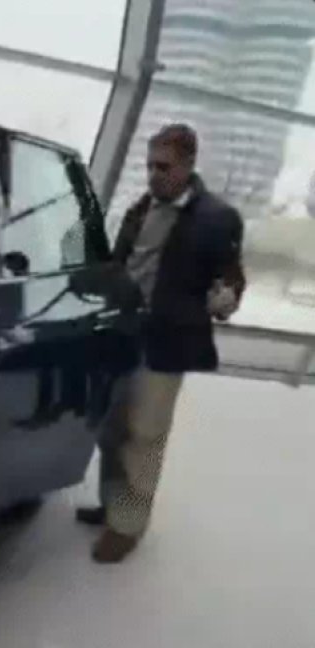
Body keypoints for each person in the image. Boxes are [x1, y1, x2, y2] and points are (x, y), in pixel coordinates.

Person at [76, 124, 246, 564]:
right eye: (150, 165)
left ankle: (127, 526)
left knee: (146, 435)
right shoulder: (140, 209)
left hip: (168, 341)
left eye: (164, 167)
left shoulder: (218, 218)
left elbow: (230, 276)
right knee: (112, 429)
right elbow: (121, 262)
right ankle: (112, 505)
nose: (154, 174)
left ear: (189, 165)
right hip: (122, 334)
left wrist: (226, 298)